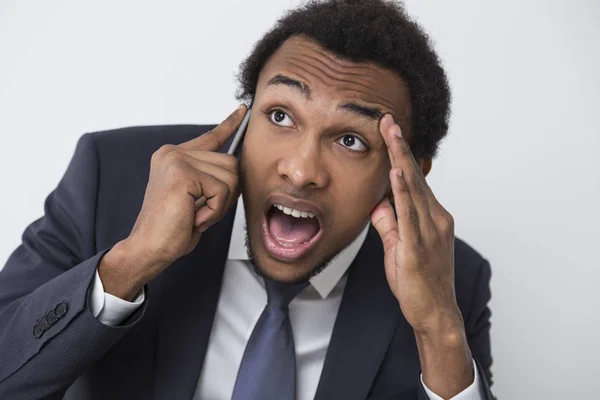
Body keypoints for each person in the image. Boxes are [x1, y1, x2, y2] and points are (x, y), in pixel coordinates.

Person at [0, 0, 494, 399]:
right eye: (280, 115)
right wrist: (133, 261)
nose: (300, 171)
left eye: (351, 140)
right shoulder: (112, 180)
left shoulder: (453, 282)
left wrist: (439, 332)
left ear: (405, 174)